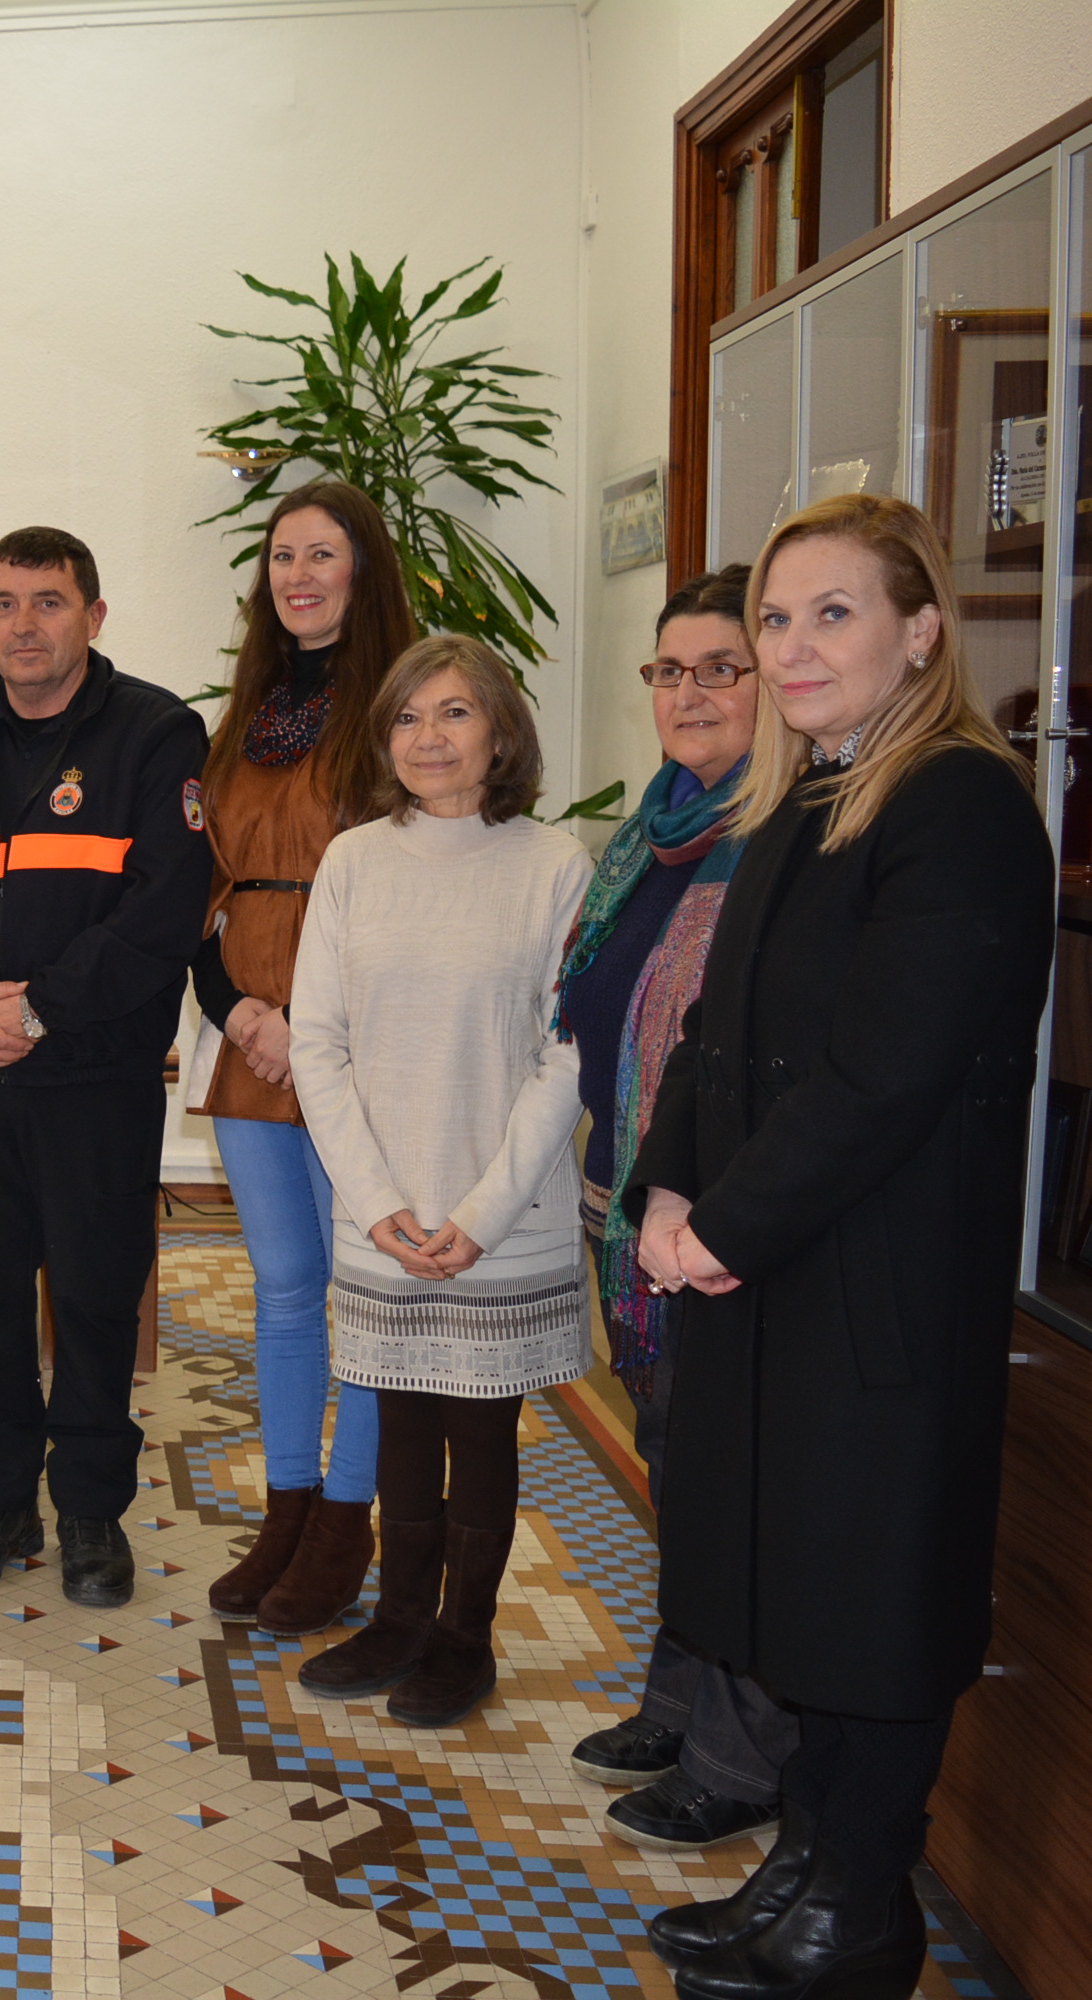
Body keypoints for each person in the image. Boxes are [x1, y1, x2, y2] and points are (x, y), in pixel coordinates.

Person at [630, 494, 1050, 1999]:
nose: (791, 649)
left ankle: (859, 1901)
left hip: (874, 1291)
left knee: (869, 1599)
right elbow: (709, 1044)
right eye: (779, 619)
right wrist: (667, 1196)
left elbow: (891, 1074)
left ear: (920, 630)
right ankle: (803, 1857)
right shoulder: (803, 797)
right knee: (793, 1587)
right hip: (768, 1272)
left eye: (833, 615)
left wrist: (722, 1228)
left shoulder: (961, 805)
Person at [0, 527, 210, 1606]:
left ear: (94, 614)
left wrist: (33, 1006)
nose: (23, 624)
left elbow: (161, 913)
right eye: (3, 602)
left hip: (93, 1078)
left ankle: (87, 1509)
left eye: (47, 602)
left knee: (92, 1299)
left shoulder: (157, 735)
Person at [285, 634, 589, 1730]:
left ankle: (464, 1638)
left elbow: (566, 1052)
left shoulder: (553, 865)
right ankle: (399, 1617)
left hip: (494, 1217)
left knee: (480, 1433)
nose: (428, 737)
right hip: (387, 1209)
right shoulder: (356, 860)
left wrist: (476, 1214)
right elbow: (316, 1042)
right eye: (408, 717)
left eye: (453, 713)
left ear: (499, 730)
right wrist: (377, 1203)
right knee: (400, 1423)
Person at [552, 567, 792, 1855]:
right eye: (670, 669)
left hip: (718, 1225)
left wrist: (692, 1205)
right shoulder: (659, 825)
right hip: (627, 1207)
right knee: (678, 1470)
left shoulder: (787, 834)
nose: (690, 692)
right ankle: (677, 1696)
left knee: (731, 1484)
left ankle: (735, 1752)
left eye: (721, 667)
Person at [188, 481, 415, 1637]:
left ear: (363, 570)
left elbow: (407, 887)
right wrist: (233, 1007)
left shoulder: (405, 704)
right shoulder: (249, 713)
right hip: (244, 1032)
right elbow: (209, 890)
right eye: (282, 556)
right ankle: (284, 1510)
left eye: (321, 553)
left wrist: (300, 1019)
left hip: (351, 1032)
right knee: (283, 1289)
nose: (298, 574)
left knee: (363, 1293)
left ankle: (343, 1518)